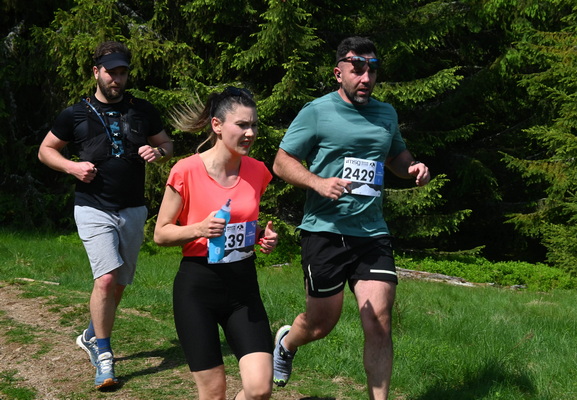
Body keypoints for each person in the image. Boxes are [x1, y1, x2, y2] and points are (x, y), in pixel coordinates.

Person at [271, 36, 431, 400]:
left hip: (371, 233)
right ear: (338, 72)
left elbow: (396, 156)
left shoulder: (386, 114)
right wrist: (318, 182)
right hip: (324, 231)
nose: (365, 78)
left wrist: (413, 168)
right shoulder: (317, 111)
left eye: (372, 70)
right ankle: (287, 342)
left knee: (379, 322)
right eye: (357, 69)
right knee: (320, 324)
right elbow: (281, 162)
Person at [38, 40, 173, 389]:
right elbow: (46, 150)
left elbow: (167, 144)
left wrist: (158, 152)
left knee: (120, 282)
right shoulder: (75, 114)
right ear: (96, 72)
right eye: (111, 72)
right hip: (92, 206)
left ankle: (91, 334)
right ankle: (104, 355)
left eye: (122, 72)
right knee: (107, 279)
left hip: (133, 208)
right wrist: (72, 167)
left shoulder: (142, 109)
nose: (117, 78)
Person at [153, 87, 278, 400]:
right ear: (217, 125)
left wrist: (262, 237)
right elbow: (161, 233)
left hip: (243, 288)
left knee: (260, 389)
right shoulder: (185, 171)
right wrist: (199, 228)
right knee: (213, 392)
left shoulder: (258, 171)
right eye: (242, 125)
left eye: (254, 125)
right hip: (198, 289)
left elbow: (242, 223)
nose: (250, 133)